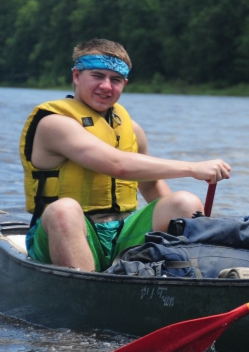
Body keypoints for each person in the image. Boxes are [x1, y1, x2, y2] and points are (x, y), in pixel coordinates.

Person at [19, 38, 232, 272]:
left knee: (185, 201)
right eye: (97, 76)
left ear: (125, 83)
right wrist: (193, 168)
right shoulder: (54, 124)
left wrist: (190, 224)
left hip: (121, 233)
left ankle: (193, 276)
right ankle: (88, 290)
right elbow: (117, 165)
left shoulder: (132, 130)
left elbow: (150, 187)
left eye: (116, 80)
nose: (106, 86)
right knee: (64, 209)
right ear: (77, 76)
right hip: (61, 233)